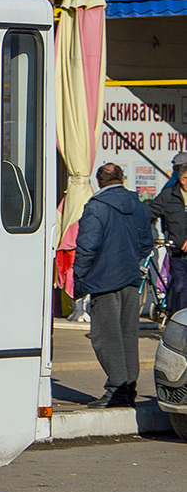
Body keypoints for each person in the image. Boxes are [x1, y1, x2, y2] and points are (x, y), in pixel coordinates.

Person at [73, 163, 155, 408]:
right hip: (131, 279)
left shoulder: (96, 207)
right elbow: (146, 244)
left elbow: (88, 246)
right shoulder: (139, 206)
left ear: (99, 181)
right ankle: (128, 388)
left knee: (106, 337)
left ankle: (117, 389)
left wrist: (79, 278)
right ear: (122, 179)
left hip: (104, 280)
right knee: (128, 336)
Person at [150, 152, 187, 316]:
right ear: (182, 179)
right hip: (178, 253)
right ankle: (178, 328)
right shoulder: (169, 195)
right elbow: (150, 213)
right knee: (180, 288)